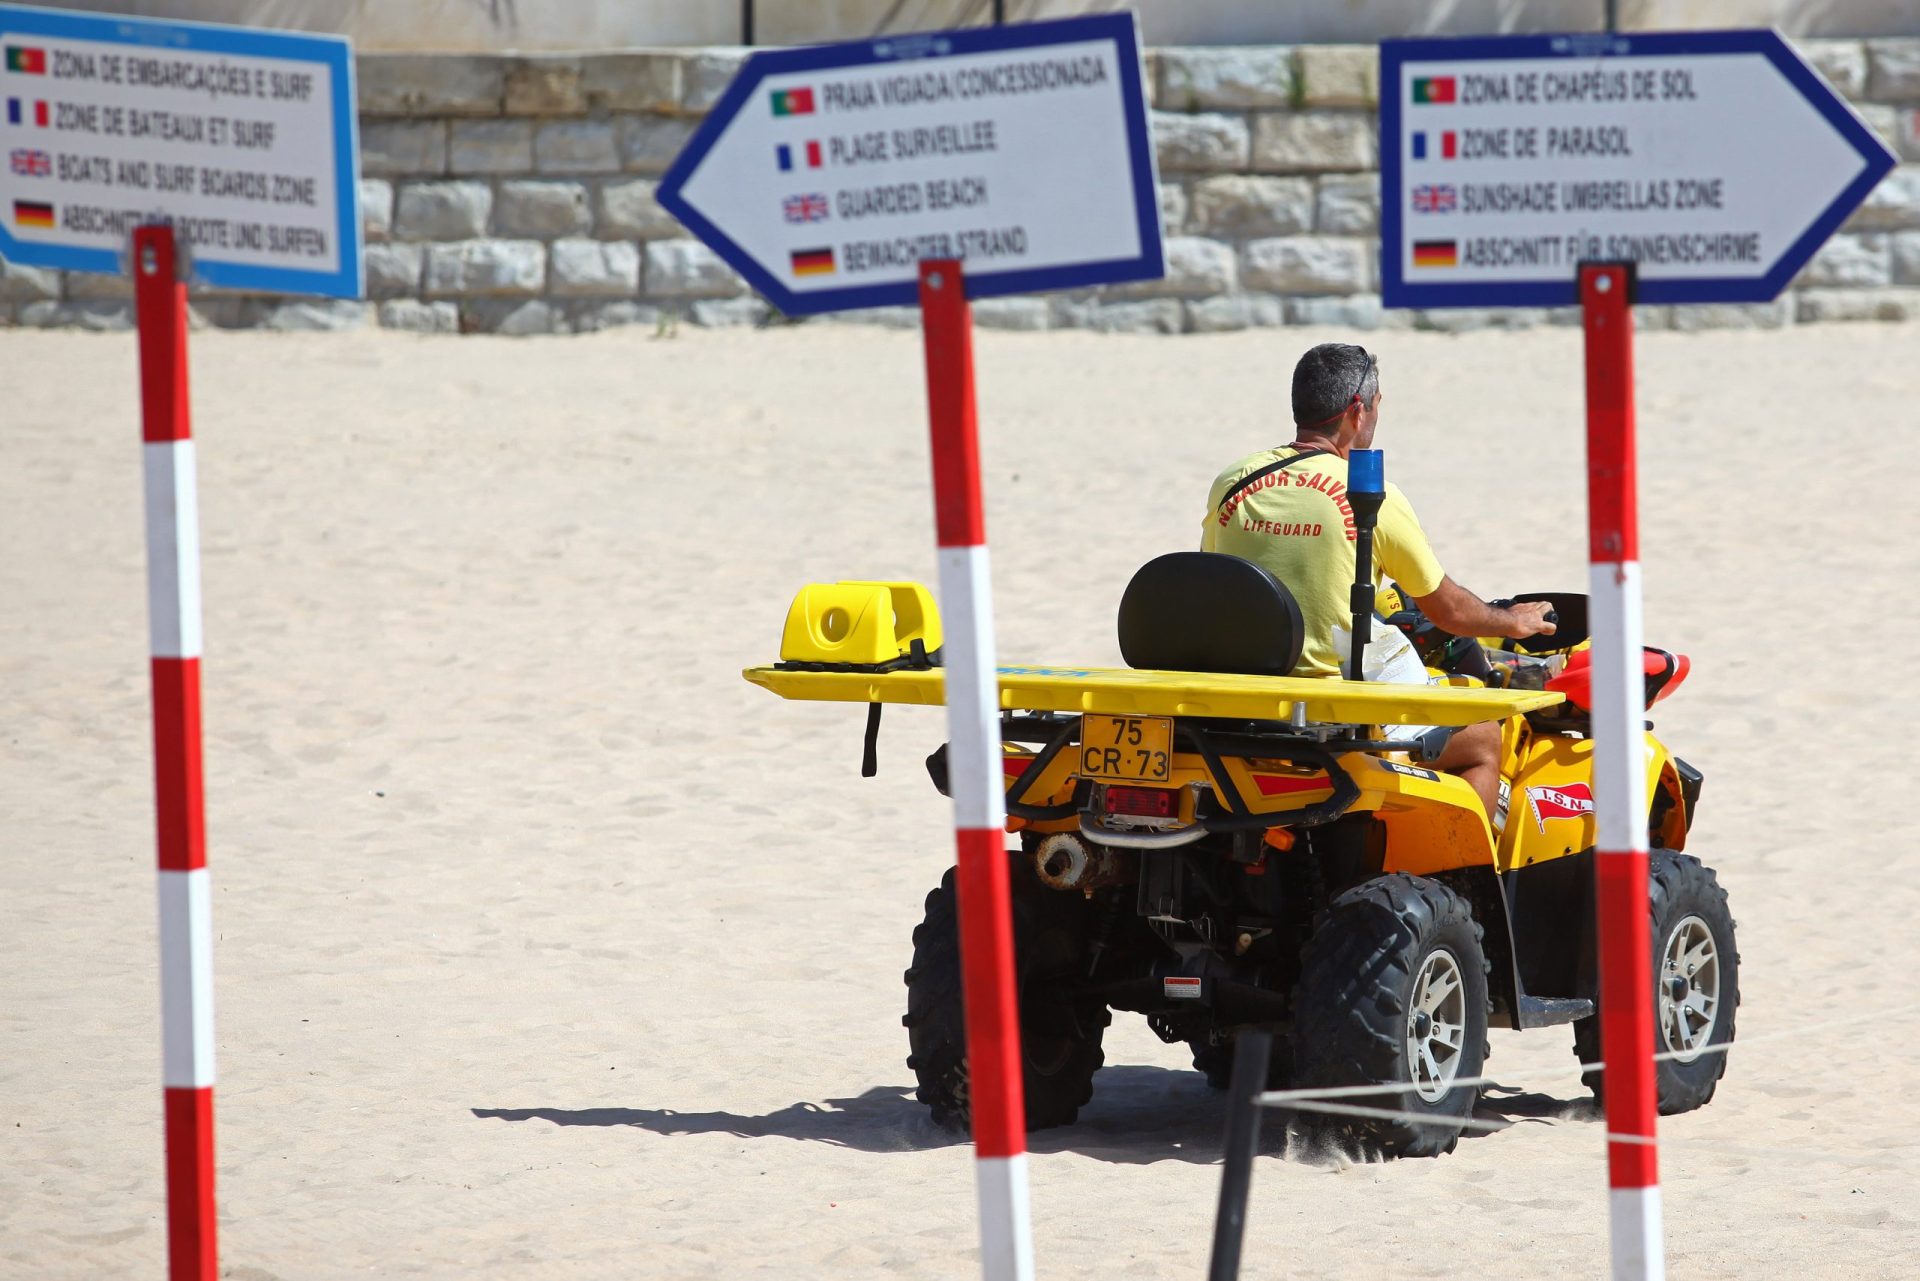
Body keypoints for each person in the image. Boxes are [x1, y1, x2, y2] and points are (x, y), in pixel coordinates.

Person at [1200, 342, 1555, 818]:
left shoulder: (1234, 479)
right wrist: (1511, 621)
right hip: (1330, 713)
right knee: (1485, 738)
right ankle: (1457, 883)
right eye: (1377, 405)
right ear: (1356, 411)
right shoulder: (1371, 493)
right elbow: (1447, 610)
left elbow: (1224, 573)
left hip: (1241, 700)